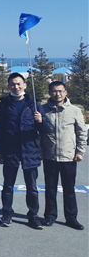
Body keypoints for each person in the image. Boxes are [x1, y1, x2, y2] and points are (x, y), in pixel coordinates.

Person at [0, 73, 44, 229]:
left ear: (25, 85)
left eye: (19, 84)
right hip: (10, 150)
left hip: (30, 150)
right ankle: (7, 213)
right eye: (12, 84)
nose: (16, 87)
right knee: (8, 185)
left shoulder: (34, 105)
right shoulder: (3, 105)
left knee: (32, 187)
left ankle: (33, 216)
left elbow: (44, 129)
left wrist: (40, 121)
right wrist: (0, 151)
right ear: (8, 86)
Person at [39, 81, 87, 230]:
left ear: (65, 92)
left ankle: (71, 217)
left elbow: (81, 132)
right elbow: (38, 132)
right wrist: (40, 150)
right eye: (54, 91)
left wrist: (80, 151)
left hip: (68, 156)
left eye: (60, 91)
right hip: (50, 156)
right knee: (50, 188)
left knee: (69, 189)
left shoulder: (74, 110)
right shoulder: (43, 110)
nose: (57, 94)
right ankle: (50, 216)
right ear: (50, 93)